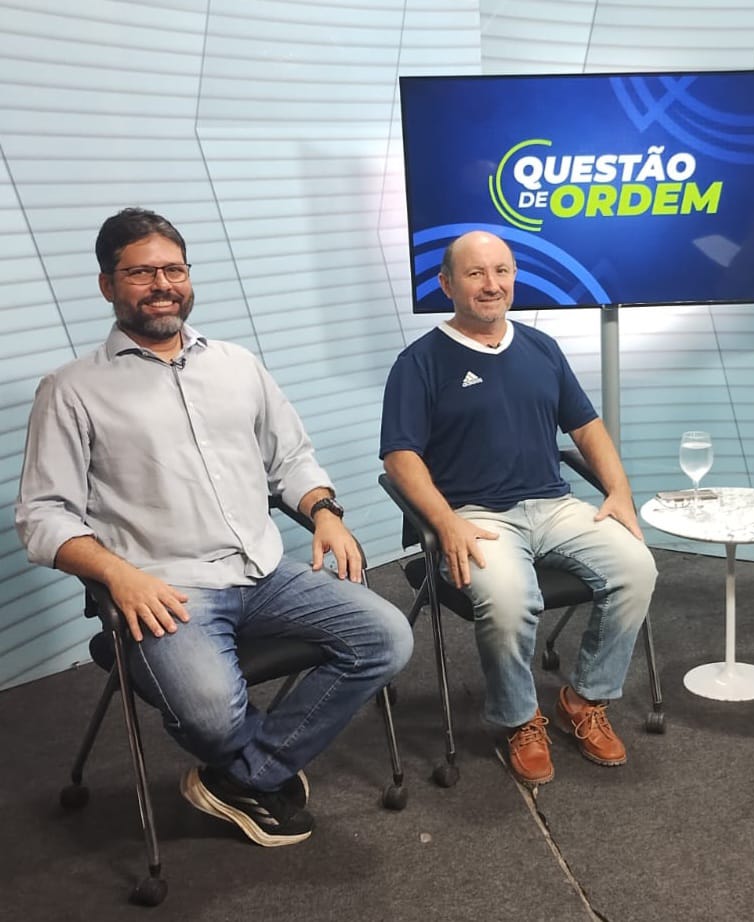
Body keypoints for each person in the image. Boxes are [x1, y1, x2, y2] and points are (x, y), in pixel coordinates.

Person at [16, 207, 414, 845]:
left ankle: (246, 774)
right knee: (210, 715)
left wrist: (325, 512)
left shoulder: (236, 364)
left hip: (264, 572)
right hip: (166, 590)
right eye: (141, 272)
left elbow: (291, 459)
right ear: (107, 284)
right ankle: (256, 766)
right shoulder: (71, 390)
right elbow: (42, 515)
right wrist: (119, 576)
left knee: (387, 637)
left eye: (173, 269)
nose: (162, 284)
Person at [379, 230, 657, 786]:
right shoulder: (419, 362)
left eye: (501, 271)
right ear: (446, 284)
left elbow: (586, 426)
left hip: (554, 506)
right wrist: (446, 523)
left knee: (637, 568)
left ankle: (584, 700)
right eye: (475, 273)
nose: (492, 284)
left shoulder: (541, 348)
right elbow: (399, 458)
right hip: (475, 517)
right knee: (510, 600)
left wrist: (619, 491)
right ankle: (519, 719)